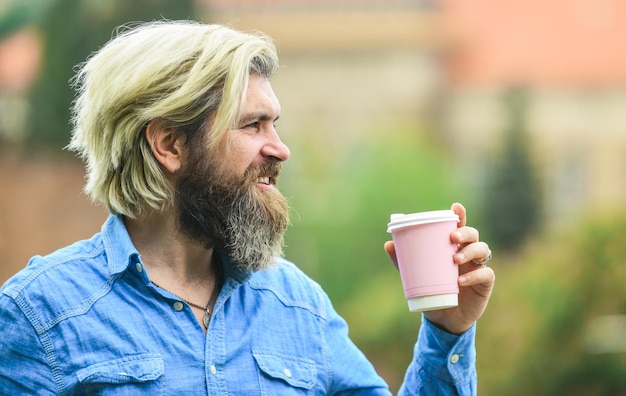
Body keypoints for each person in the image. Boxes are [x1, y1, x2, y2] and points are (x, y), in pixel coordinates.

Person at [0, 20, 495, 395]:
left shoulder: (298, 305)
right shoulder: (39, 314)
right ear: (169, 144)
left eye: (275, 124)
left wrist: (447, 330)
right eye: (253, 125)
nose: (280, 149)